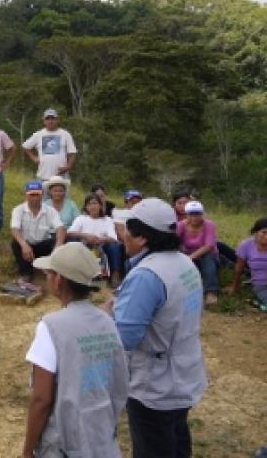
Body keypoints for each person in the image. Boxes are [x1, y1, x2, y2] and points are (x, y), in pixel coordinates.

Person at [104, 197, 207, 458]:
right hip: (184, 369)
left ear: (142, 238)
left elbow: (124, 338)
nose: (122, 233)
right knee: (176, 438)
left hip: (155, 383)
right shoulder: (184, 263)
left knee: (154, 446)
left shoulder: (147, 275)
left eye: (127, 228)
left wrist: (107, 316)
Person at [22, 243, 128, 458]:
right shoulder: (107, 321)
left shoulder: (51, 326)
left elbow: (41, 400)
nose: (47, 278)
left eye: (49, 273)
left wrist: (27, 451)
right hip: (101, 435)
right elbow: (119, 381)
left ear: (59, 280)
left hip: (64, 443)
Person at [10, 181, 65, 282]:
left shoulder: (50, 211)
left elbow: (60, 228)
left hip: (42, 246)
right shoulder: (18, 210)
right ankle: (26, 273)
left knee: (58, 241)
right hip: (26, 246)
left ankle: (53, 271)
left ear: (42, 195)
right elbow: (14, 229)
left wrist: (59, 244)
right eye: (32, 195)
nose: (35, 197)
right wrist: (24, 245)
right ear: (26, 195)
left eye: (37, 194)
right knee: (15, 242)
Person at [67, 193, 120, 285]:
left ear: (100, 205)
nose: (92, 206)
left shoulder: (107, 219)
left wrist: (101, 240)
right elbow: (70, 233)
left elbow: (113, 237)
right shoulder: (81, 219)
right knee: (72, 243)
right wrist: (85, 236)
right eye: (89, 204)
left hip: (102, 245)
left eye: (95, 203)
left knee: (114, 246)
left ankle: (115, 274)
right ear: (86, 207)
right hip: (84, 245)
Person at [176, 200, 220, 307]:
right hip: (188, 255)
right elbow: (174, 241)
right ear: (186, 215)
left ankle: (211, 292)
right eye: (191, 214)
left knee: (207, 257)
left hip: (206, 256)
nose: (194, 217)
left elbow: (209, 246)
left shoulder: (209, 225)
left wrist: (190, 257)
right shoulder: (180, 225)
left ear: (202, 214)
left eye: (197, 214)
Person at [22, 108, 77, 181]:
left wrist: (68, 166)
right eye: (47, 119)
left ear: (57, 120)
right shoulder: (38, 134)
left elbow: (72, 153)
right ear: (44, 121)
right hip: (43, 176)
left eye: (53, 118)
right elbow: (25, 146)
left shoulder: (65, 134)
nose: (50, 121)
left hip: (61, 177)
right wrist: (34, 158)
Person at [231, 217, 267, 309]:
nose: (266, 236)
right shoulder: (246, 245)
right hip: (261, 285)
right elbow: (239, 267)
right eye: (264, 232)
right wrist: (234, 287)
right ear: (256, 232)